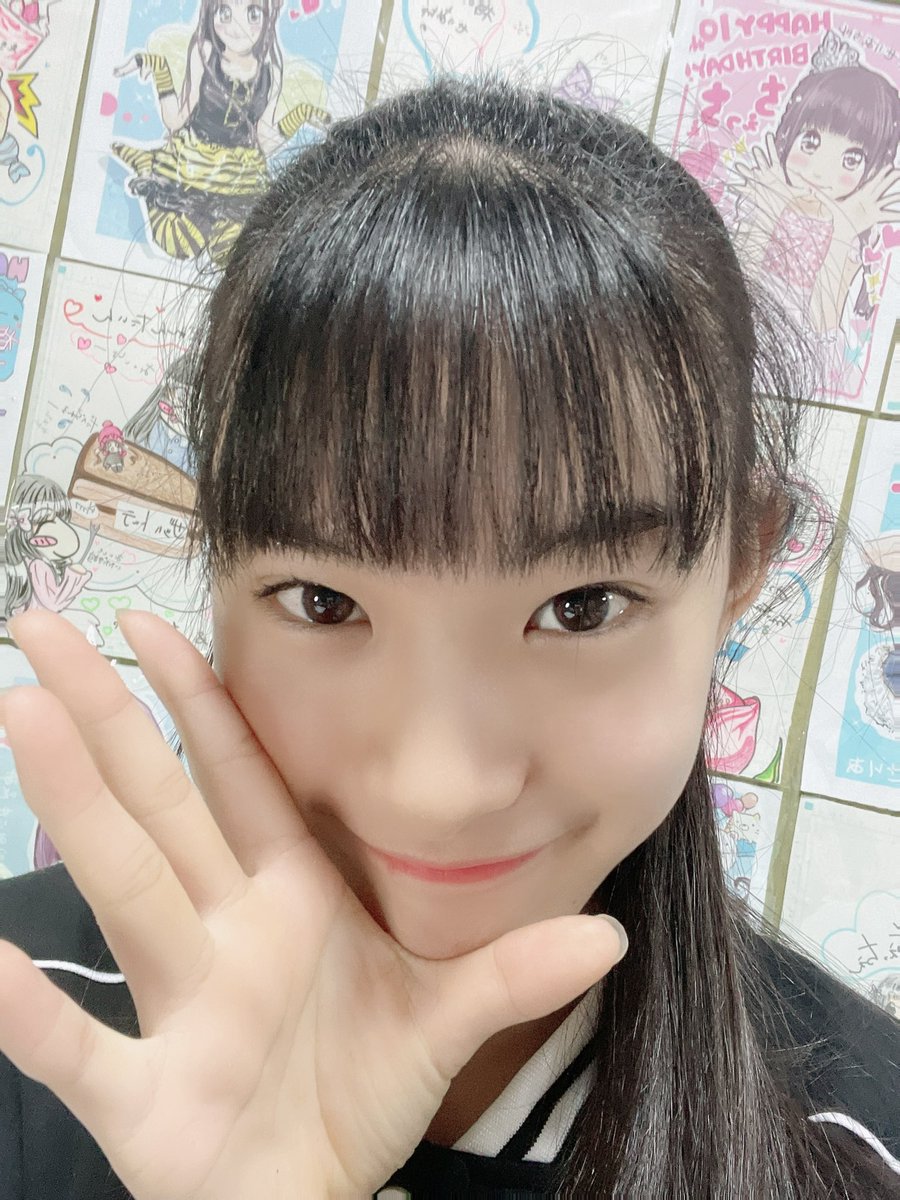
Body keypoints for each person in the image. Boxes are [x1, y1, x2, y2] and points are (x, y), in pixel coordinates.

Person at [0, 78, 897, 1199]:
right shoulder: (26, 1016)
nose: (439, 789)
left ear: (740, 568)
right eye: (324, 602)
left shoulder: (863, 1143)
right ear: (213, 550)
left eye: (582, 606)